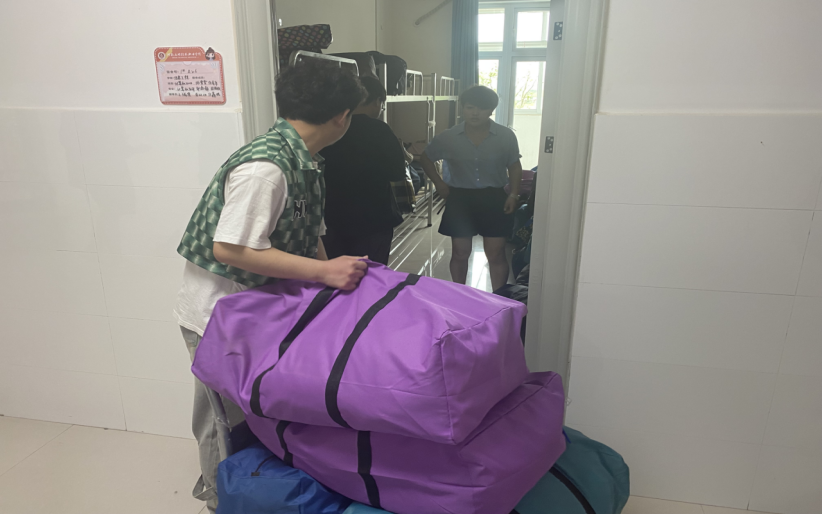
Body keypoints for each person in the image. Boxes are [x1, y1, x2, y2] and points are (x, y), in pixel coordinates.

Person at [173, 60, 368, 514]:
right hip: (218, 318)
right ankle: (221, 500)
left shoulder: (304, 161)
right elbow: (230, 248)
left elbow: (309, 234)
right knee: (224, 422)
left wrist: (328, 288)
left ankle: (258, 490)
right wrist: (324, 273)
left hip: (260, 312)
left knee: (261, 412)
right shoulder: (266, 167)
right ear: (343, 116)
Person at [420, 85, 523, 292]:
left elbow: (514, 166)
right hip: (460, 199)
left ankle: (498, 298)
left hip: (494, 198)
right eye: (470, 107)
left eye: (482, 108)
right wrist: (439, 183)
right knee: (460, 252)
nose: (475, 113)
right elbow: (426, 158)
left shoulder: (505, 136)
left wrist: (513, 194)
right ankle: (461, 295)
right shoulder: (449, 136)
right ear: (463, 108)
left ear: (491, 110)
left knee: (496, 254)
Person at [319, 76, 407, 265]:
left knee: (336, 271)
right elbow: (397, 173)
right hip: (373, 217)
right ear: (377, 101)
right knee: (371, 272)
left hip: (332, 216)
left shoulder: (329, 127)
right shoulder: (381, 130)